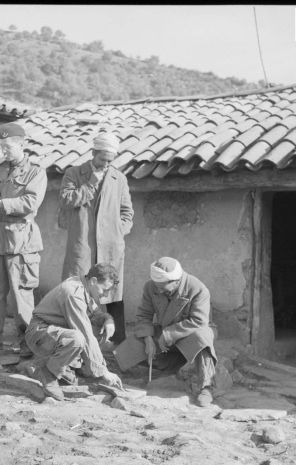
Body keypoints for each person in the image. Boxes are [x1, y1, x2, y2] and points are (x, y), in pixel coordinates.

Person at [0, 123, 47, 356]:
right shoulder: (0, 171)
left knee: (21, 296)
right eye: (1, 146)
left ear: (21, 144)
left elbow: (30, 203)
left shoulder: (36, 172)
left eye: (8, 147)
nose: (4, 151)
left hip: (20, 242)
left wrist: (0, 203)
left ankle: (27, 342)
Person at [59, 131, 134, 345]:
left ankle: (118, 344)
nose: (106, 164)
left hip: (111, 246)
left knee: (112, 293)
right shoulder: (74, 173)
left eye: (110, 161)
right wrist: (91, 182)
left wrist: (119, 231)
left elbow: (127, 212)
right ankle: (75, 340)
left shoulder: (119, 178)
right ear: (93, 153)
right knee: (77, 289)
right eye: (103, 159)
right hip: (82, 245)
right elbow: (66, 200)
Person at [113, 257, 218, 407]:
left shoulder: (197, 288)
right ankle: (168, 367)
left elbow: (199, 321)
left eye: (162, 288)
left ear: (176, 281)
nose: (159, 291)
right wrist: (149, 339)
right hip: (164, 330)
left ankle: (207, 387)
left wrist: (168, 334)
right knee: (134, 344)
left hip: (192, 331)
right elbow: (144, 316)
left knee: (202, 339)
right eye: (157, 287)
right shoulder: (151, 287)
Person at [25, 263, 124, 401]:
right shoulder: (74, 293)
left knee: (99, 328)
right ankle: (48, 374)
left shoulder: (85, 287)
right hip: (40, 334)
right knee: (77, 338)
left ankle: (62, 367)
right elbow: (85, 334)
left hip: (55, 334)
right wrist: (103, 372)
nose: (106, 294)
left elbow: (96, 315)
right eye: (105, 290)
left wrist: (108, 320)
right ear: (94, 281)